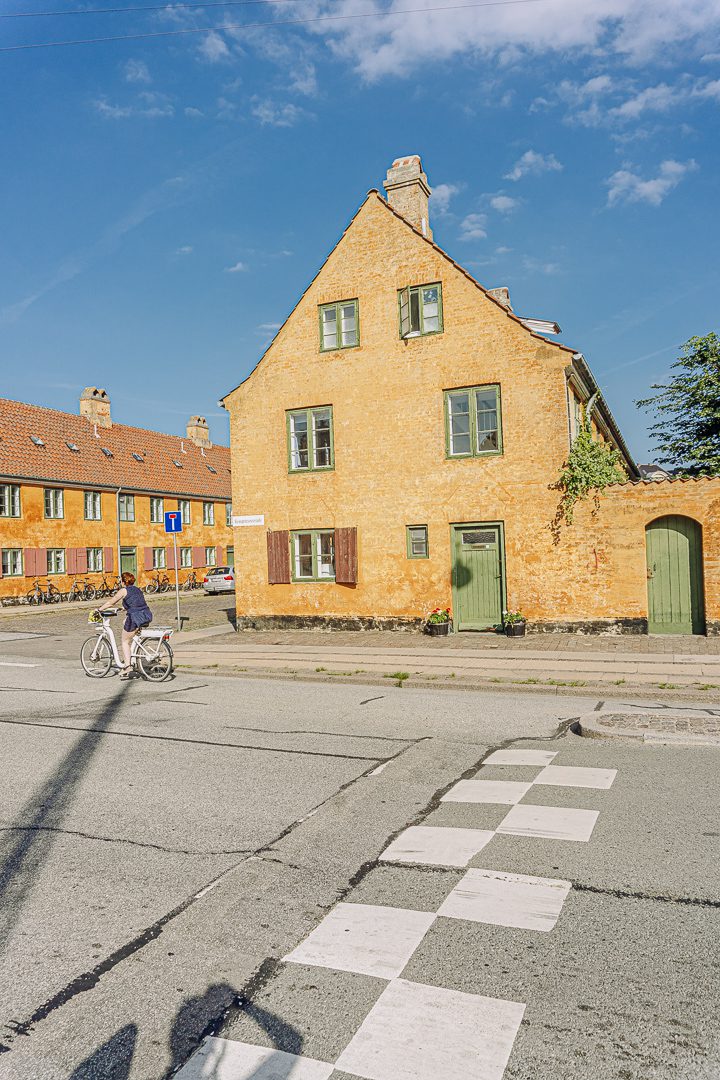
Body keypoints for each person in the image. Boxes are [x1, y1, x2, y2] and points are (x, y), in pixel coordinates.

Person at [95, 571, 153, 679]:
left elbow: (111, 602)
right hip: (145, 615)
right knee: (126, 626)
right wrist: (124, 608)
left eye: (121, 580)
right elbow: (136, 602)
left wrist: (99, 609)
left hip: (135, 618)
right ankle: (133, 658)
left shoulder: (123, 590)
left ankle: (127, 666)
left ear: (123, 581)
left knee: (125, 641)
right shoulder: (137, 589)